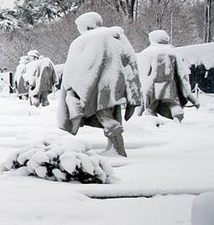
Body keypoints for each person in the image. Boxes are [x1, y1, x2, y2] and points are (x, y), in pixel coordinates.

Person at [57, 12, 141, 157]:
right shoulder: (118, 37)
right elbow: (131, 63)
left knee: (105, 116)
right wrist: (132, 92)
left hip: (99, 87)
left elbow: (80, 68)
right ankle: (113, 147)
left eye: (80, 27)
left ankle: (119, 151)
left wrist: (74, 93)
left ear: (87, 26)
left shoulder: (86, 40)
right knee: (113, 113)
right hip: (116, 85)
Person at [136, 30, 199, 122]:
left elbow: (143, 75)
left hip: (152, 87)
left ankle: (154, 124)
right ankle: (177, 119)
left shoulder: (145, 54)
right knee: (174, 104)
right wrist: (186, 91)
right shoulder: (173, 53)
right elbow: (181, 72)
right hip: (169, 86)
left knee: (150, 108)